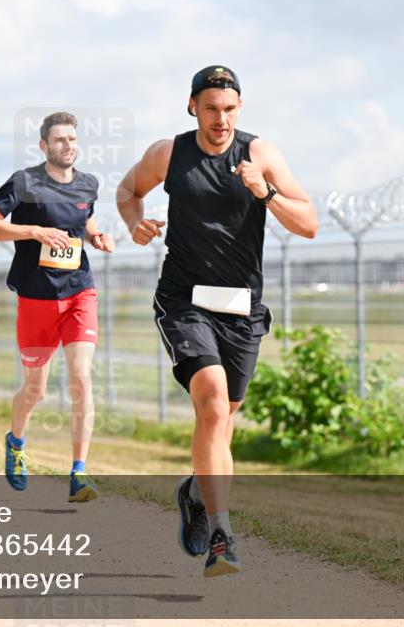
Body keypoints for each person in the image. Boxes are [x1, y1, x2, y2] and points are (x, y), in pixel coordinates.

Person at [117, 66, 318, 577]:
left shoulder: (261, 155)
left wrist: (265, 193)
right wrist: (135, 222)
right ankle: (222, 536)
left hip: (241, 309)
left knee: (222, 422)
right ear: (192, 107)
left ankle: (193, 492)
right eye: (210, 108)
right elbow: (127, 190)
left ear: (239, 108)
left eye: (229, 109)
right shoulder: (169, 153)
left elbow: (309, 224)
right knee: (210, 403)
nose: (220, 119)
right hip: (183, 300)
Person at [0, 111, 114, 502]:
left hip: (79, 292)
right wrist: (33, 231)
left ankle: (79, 473)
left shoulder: (88, 184)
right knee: (35, 389)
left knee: (81, 378)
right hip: (36, 298)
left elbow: (84, 219)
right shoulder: (24, 182)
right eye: (59, 140)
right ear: (43, 146)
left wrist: (96, 236)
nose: (68, 145)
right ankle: (16, 442)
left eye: (72, 139)